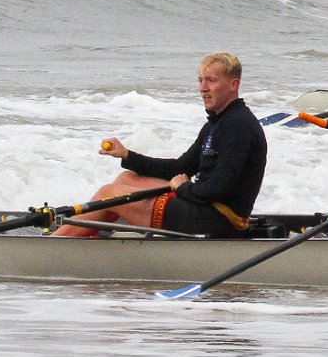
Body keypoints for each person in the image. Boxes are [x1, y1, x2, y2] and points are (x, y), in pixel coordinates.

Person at [51, 52, 268, 239]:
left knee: (109, 193)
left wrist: (183, 187)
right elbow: (179, 168)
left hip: (217, 221)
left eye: (211, 80)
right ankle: (89, 233)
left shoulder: (239, 126)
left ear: (233, 85)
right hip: (203, 207)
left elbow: (217, 189)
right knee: (126, 179)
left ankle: (55, 243)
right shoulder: (218, 123)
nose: (203, 88)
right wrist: (127, 155)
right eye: (200, 80)